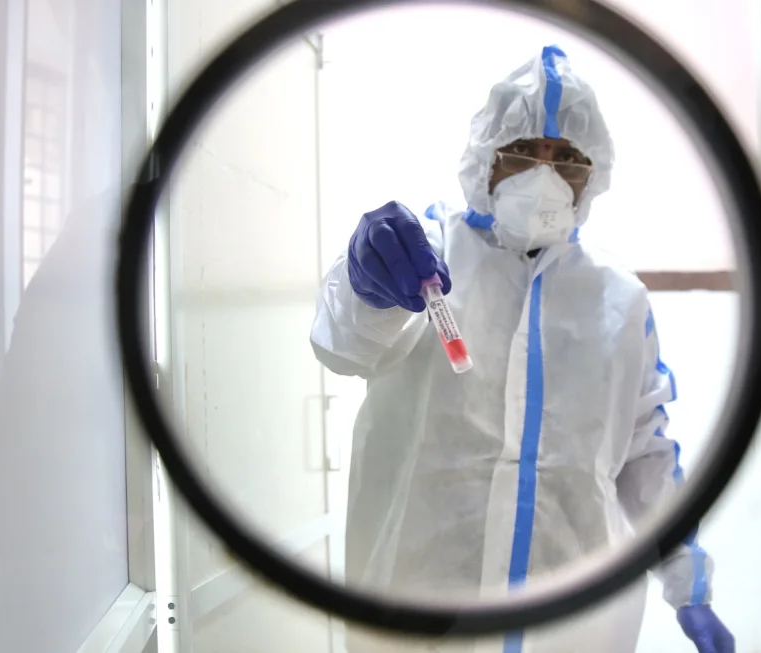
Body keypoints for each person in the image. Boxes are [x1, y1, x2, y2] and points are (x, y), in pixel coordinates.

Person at [311, 45, 735, 653]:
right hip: (420, 611)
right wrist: (362, 283)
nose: (545, 175)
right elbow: (343, 346)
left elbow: (648, 459)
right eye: (523, 152)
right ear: (486, 157)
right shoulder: (429, 253)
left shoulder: (621, 300)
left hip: (576, 626)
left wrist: (690, 587)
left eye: (567, 157)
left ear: (594, 174)